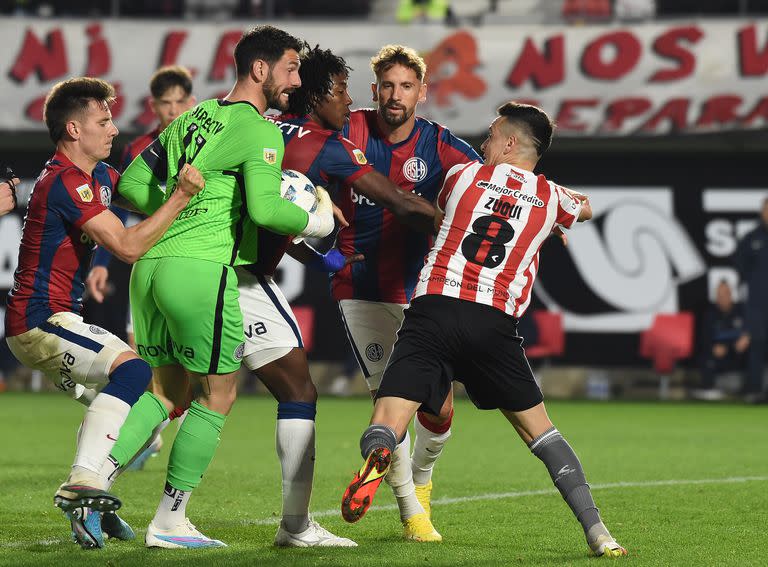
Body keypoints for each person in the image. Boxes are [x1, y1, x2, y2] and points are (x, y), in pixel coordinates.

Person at [101, 43, 436, 549]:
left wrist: (326, 258)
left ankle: (91, 479)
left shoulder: (239, 122)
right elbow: (400, 204)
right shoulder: (324, 145)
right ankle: (287, 525)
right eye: (342, 91)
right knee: (290, 393)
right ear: (319, 93)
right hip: (229, 274)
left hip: (168, 263)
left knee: (168, 394)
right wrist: (465, 222)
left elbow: (137, 186)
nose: (348, 103)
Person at [340, 102, 628, 558]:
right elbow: (586, 207)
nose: (484, 143)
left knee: (387, 421)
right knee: (542, 434)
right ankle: (598, 532)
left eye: (492, 135)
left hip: (433, 308)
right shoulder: (553, 198)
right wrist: (552, 214)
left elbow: (445, 208)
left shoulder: (461, 178)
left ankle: (377, 455)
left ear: (511, 143)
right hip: (492, 324)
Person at [114, 25, 336, 550]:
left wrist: (177, 207)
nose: (296, 79)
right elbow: (263, 209)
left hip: (152, 265)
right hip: (206, 269)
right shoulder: (257, 128)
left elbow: (127, 184)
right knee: (218, 394)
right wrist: (317, 220)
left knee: (164, 392)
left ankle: (88, 480)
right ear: (260, 69)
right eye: (290, 67)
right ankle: (170, 521)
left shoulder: (195, 115)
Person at [3, 77, 204, 547]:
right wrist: (180, 196)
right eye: (103, 120)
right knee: (134, 372)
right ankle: (83, 486)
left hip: (52, 318)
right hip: (40, 320)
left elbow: (145, 203)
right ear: (74, 129)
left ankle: (91, 505)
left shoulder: (100, 178)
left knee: (137, 417)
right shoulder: (65, 181)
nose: (113, 129)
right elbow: (130, 245)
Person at [333, 44, 482, 541]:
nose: (395, 96)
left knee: (438, 411)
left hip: (423, 295)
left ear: (422, 92)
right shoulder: (347, 129)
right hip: (360, 290)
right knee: (387, 401)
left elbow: (492, 185)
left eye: (405, 86)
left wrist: (547, 211)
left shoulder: (441, 146)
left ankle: (422, 480)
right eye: (387, 86)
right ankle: (411, 512)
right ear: (374, 90)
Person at [88, 65, 198, 472]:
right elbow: (114, 205)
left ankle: (152, 431)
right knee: (141, 356)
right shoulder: (138, 149)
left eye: (178, 102)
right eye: (164, 104)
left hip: (196, 262)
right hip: (150, 262)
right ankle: (146, 436)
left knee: (191, 369)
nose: (172, 111)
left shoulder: (206, 143)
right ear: (154, 106)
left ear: (190, 101)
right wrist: (100, 262)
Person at [691, 280, 749, 401]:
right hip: (719, 359)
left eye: (725, 294)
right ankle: (709, 389)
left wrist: (747, 337)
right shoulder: (710, 314)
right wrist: (713, 348)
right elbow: (703, 341)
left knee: (755, 355)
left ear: (731, 294)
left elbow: (750, 333)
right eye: (719, 295)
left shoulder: (742, 312)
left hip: (739, 357)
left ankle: (750, 389)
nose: (722, 298)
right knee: (706, 358)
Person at [734, 197, 768, 403]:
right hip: (758, 305)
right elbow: (741, 266)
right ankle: (754, 391)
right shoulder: (751, 238)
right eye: (766, 209)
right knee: (756, 348)